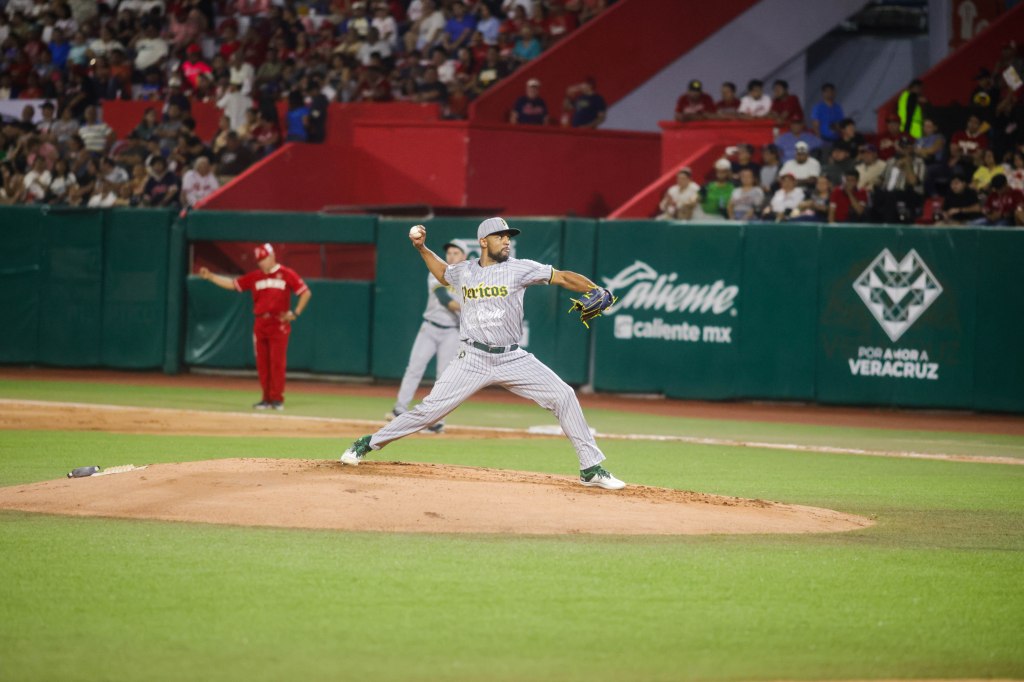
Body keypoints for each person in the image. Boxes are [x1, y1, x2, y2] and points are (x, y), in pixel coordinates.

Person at [341, 217, 627, 491]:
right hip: (472, 358)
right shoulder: (465, 271)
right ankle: (367, 443)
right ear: (483, 241)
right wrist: (421, 248)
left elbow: (562, 277)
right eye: (500, 237)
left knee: (564, 395)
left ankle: (591, 468)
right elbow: (442, 273)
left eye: (508, 237)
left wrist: (595, 288)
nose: (506, 241)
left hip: (512, 357)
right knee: (429, 412)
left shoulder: (520, 268)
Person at [199, 243, 312, 410]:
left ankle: (276, 399)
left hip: (278, 323)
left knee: (276, 363)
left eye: (264, 259)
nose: (261, 263)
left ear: (272, 257)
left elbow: (305, 292)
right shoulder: (255, 277)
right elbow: (233, 284)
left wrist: (295, 313)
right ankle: (266, 399)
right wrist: (211, 277)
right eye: (259, 260)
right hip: (260, 323)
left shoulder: (287, 274)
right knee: (263, 364)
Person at [386, 241, 467, 432]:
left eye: (456, 252)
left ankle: (437, 421)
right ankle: (399, 410)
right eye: (449, 252)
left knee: (444, 377)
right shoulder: (437, 271)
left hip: (453, 332)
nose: (451, 256)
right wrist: (472, 307)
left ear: (464, 256)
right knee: (414, 367)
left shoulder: (469, 277)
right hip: (429, 328)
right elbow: (445, 300)